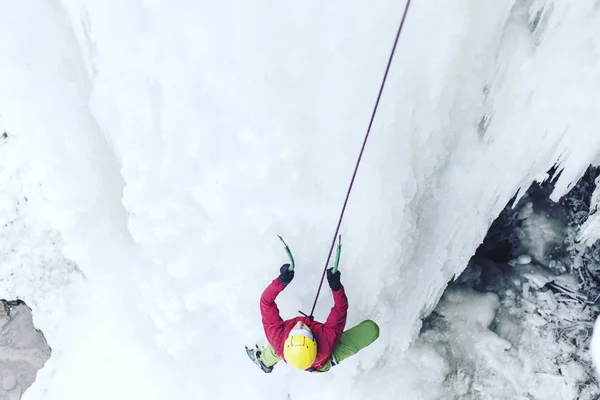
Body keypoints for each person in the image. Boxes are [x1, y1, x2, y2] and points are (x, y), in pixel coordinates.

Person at [251, 263, 379, 373]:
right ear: (313, 341)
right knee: (372, 329)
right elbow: (340, 308)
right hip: (325, 358)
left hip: (282, 346)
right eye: (305, 331)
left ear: (288, 340)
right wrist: (336, 287)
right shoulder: (326, 341)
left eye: (295, 332)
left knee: (276, 348)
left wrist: (281, 281)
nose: (300, 324)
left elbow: (266, 302)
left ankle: (264, 361)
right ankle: (329, 360)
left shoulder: (278, 338)